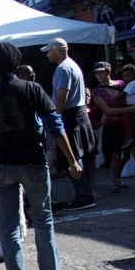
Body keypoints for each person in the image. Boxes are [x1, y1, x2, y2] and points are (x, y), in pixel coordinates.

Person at [0, 42, 84, 270]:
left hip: (1, 165)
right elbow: (55, 126)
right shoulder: (32, 89)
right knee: (43, 218)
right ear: (16, 61)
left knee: (8, 229)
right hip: (33, 161)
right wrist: (72, 161)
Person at [42, 38, 97, 210]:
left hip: (71, 116)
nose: (48, 55)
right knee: (80, 155)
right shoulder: (72, 65)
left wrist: (55, 118)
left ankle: (84, 195)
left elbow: (61, 96)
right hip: (79, 114)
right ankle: (87, 192)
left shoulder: (63, 68)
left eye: (49, 51)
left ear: (57, 51)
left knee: (71, 156)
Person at [92, 62, 135, 194]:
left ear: (108, 72)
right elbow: (107, 110)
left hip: (129, 121)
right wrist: (129, 109)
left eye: (101, 72)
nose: (99, 75)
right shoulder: (97, 91)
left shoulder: (121, 84)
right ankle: (114, 182)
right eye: (96, 73)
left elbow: (134, 95)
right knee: (116, 154)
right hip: (113, 125)